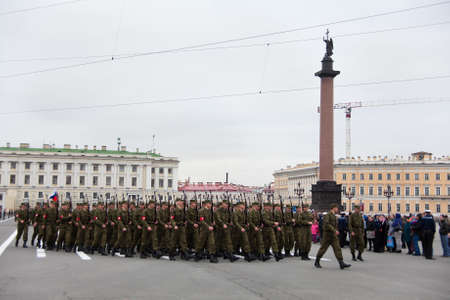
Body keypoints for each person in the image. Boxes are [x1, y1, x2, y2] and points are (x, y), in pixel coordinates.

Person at [314, 204, 351, 270]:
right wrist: (334, 230)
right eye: (336, 208)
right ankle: (317, 261)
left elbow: (334, 225)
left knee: (337, 248)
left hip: (333, 235)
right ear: (333, 208)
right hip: (327, 235)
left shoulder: (334, 216)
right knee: (323, 249)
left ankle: (341, 263)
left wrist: (336, 230)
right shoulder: (328, 215)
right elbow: (327, 224)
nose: (337, 209)